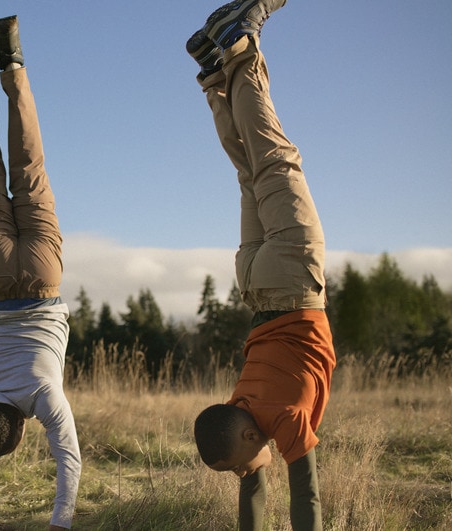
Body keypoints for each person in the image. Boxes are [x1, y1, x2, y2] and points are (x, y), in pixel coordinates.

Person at [187, 1, 337, 530]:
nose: (241, 476)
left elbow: (308, 501)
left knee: (275, 161)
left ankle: (240, 45)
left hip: (292, 284)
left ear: (250, 437)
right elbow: (250, 482)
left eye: (236, 467)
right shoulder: (239, 409)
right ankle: (214, 75)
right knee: (251, 173)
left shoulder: (286, 422)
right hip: (251, 281)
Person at [0, 15, 82, 531]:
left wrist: (60, 523)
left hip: (44, 279)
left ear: (24, 431)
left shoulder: (43, 398)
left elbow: (69, 461)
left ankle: (16, 60)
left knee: (30, 166)